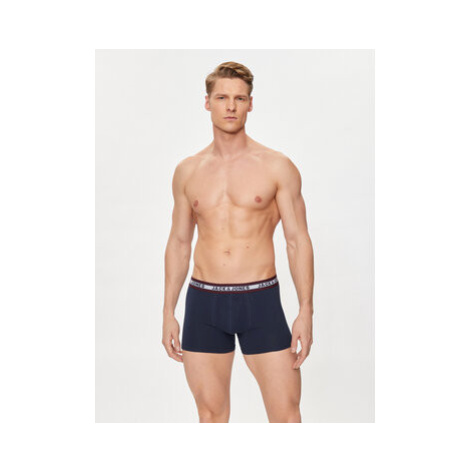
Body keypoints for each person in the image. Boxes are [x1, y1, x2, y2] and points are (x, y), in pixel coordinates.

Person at [162, 61, 314, 423]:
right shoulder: (188, 171)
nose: (230, 106)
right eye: (222, 98)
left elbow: (297, 240)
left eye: (239, 98)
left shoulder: (277, 166)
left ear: (250, 104)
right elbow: (180, 242)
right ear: (207, 102)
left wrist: (306, 310)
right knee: (211, 416)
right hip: (204, 304)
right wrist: (168, 310)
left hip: (260, 301)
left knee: (286, 416)